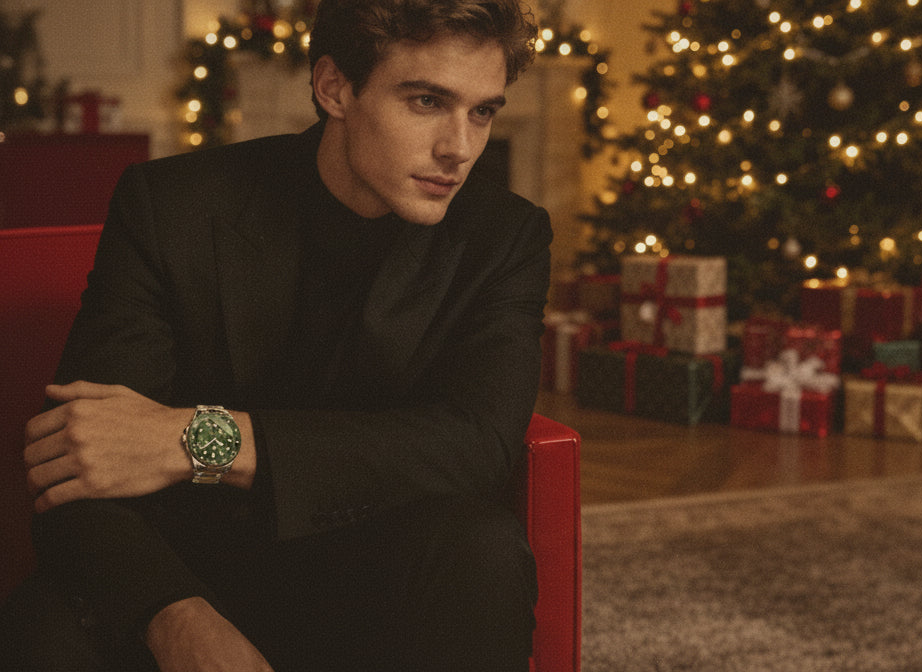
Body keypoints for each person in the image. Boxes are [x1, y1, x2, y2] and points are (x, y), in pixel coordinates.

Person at [0, 1, 548, 670]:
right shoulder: (173, 206)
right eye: (428, 101)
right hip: (183, 569)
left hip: (370, 574)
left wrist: (199, 439)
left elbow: (475, 445)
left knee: (481, 550)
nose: (459, 148)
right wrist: (174, 617)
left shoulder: (504, 235)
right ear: (334, 88)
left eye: (482, 112)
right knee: (42, 626)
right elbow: (79, 460)